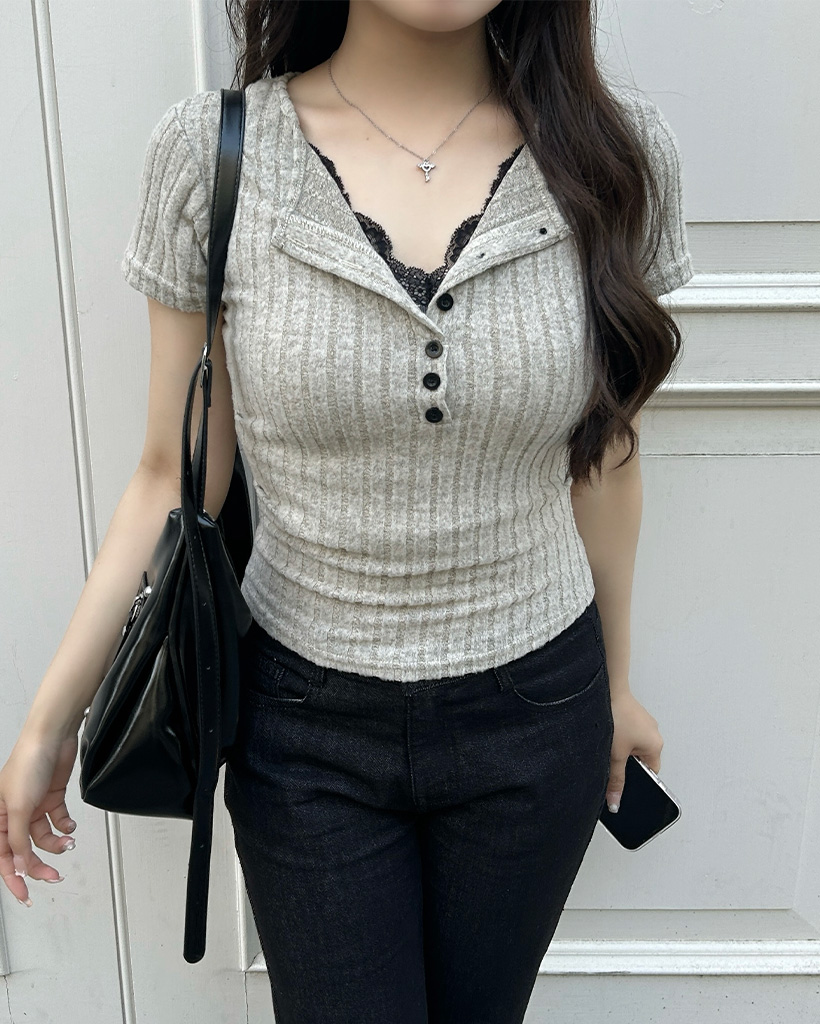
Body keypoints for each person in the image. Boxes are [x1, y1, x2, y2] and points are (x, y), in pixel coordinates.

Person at [0, 1, 694, 1021]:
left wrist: (619, 687)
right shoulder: (215, 156)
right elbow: (171, 477)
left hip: (538, 714)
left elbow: (609, 458)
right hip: (304, 731)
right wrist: (49, 722)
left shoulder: (614, 156)